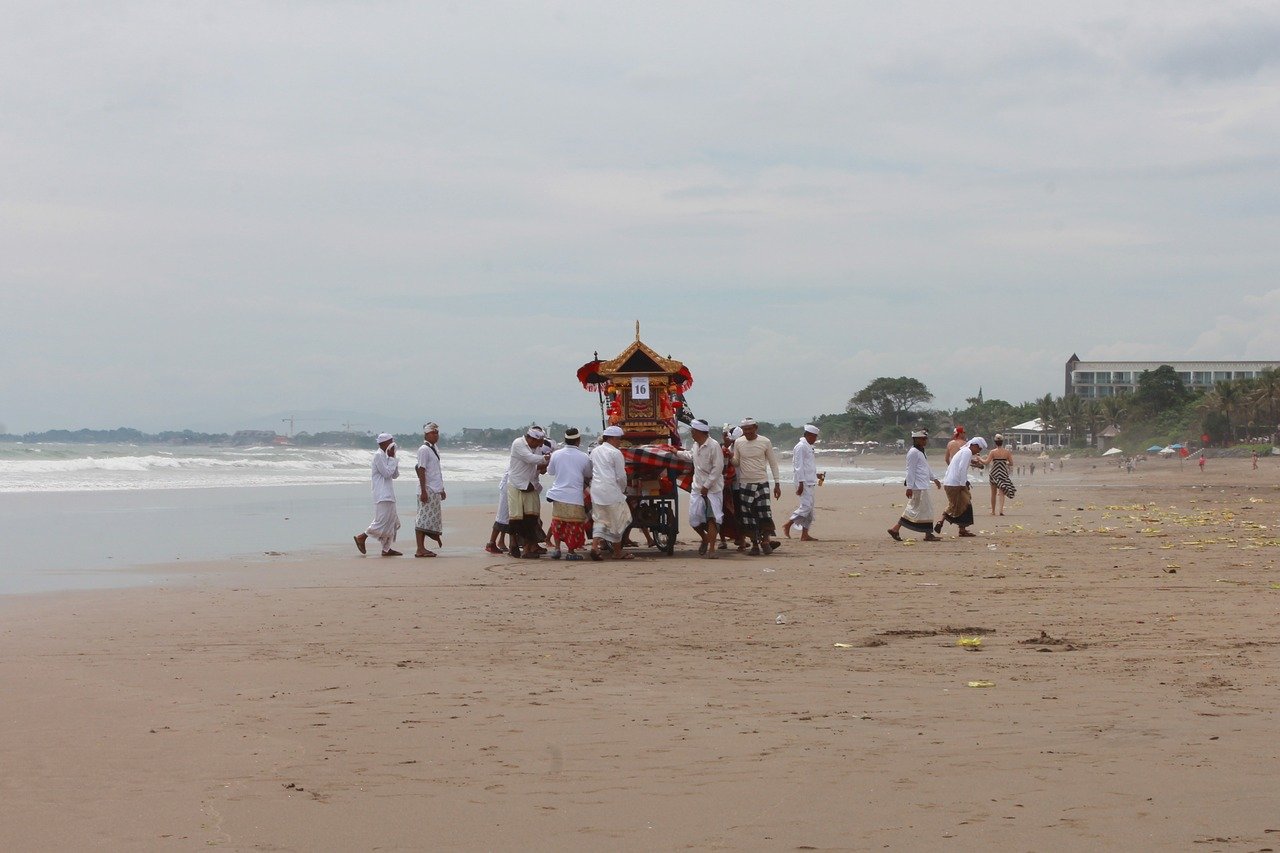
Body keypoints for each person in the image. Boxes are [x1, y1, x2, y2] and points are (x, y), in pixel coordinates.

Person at [732, 418, 782, 555]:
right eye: (745, 429)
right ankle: (754, 543)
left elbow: (773, 463)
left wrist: (777, 483)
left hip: (762, 482)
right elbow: (736, 462)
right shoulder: (738, 442)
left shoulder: (765, 441)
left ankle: (765, 541)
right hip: (745, 483)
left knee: (764, 512)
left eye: (750, 429)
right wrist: (729, 455)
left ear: (756, 428)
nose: (747, 432)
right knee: (748, 515)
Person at [677, 419, 725, 558]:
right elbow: (690, 455)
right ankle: (704, 538)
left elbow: (718, 468)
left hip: (713, 489)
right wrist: (676, 452)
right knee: (694, 519)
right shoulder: (696, 445)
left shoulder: (713, 446)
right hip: (697, 487)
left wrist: (707, 485)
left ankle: (711, 549)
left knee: (712, 518)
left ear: (699, 431)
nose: (691, 433)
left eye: (693, 431)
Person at [545, 427, 592, 560]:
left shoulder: (556, 454)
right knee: (574, 525)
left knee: (558, 522)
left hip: (558, 494)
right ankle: (571, 551)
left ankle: (557, 548)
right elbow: (588, 473)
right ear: (578, 440)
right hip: (575, 496)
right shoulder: (583, 457)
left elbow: (551, 471)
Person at [888, 429, 942, 542]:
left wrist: (934, 478)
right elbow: (910, 470)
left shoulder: (921, 451)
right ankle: (898, 529)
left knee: (923, 509)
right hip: (918, 486)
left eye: (925, 438)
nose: (925, 441)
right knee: (918, 509)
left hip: (924, 484)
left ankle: (897, 529)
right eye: (923, 439)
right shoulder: (913, 452)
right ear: (916, 439)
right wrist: (909, 487)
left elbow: (925, 467)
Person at [354, 433, 402, 557]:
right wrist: (391, 459)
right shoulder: (378, 456)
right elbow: (386, 473)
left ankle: (386, 549)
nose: (393, 444)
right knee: (381, 521)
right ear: (384, 443)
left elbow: (395, 475)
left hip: (389, 493)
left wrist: (393, 457)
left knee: (391, 521)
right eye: (390, 442)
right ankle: (362, 537)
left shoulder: (387, 456)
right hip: (381, 494)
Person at [589, 426, 632, 560]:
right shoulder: (615, 453)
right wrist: (623, 489)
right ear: (612, 439)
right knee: (618, 519)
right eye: (619, 439)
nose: (620, 442)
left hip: (596, 489)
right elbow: (621, 476)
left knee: (600, 519)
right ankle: (617, 552)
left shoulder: (595, 451)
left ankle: (594, 547)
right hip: (611, 489)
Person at [506, 427, 549, 559]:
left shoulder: (537, 448)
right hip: (516, 483)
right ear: (530, 438)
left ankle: (527, 548)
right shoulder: (518, 443)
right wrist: (547, 458)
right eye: (538, 441)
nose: (540, 445)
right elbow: (530, 459)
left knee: (531, 518)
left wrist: (544, 463)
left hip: (531, 484)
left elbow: (537, 466)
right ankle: (513, 544)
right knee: (515, 518)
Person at [936, 436, 986, 537]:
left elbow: (961, 464)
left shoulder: (964, 451)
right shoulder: (967, 452)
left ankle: (954, 526)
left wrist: (972, 465)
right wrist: (963, 484)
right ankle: (956, 527)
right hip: (955, 484)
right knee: (963, 505)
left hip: (950, 482)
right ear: (974, 445)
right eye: (979, 449)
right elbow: (961, 468)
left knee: (960, 504)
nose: (978, 451)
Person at [783, 425, 821, 541]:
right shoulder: (800, 447)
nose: (815, 439)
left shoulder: (808, 447)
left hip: (810, 480)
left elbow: (808, 466)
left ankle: (805, 534)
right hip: (802, 481)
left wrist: (816, 475)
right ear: (808, 435)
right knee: (806, 507)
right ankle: (788, 524)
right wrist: (800, 483)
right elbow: (798, 466)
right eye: (814, 437)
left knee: (810, 510)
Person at [413, 422, 446, 557]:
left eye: (437, 432)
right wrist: (423, 491)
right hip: (427, 489)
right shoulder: (423, 449)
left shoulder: (434, 448)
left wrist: (441, 488)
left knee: (430, 519)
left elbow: (436, 471)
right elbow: (421, 469)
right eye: (433, 433)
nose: (436, 435)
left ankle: (425, 546)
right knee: (422, 519)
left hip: (435, 488)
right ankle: (420, 548)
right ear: (426, 434)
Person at [983, 433, 1016, 516]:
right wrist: (1004, 463)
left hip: (994, 473)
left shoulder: (993, 452)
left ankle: (993, 511)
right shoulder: (1007, 452)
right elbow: (1011, 463)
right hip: (1003, 473)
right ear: (1002, 442)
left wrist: (979, 459)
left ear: (995, 442)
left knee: (993, 493)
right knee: (1002, 492)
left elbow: (986, 462)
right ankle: (1001, 510)